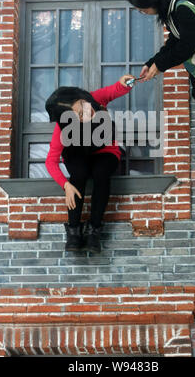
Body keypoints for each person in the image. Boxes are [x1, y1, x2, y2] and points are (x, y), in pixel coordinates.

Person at [45, 75, 134, 254]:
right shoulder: (63, 129)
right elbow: (51, 161)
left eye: (82, 106)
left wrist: (124, 84)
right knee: (78, 175)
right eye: (78, 115)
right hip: (78, 153)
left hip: (104, 152)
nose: (86, 111)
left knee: (101, 173)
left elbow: (113, 90)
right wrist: (66, 185)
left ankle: (94, 230)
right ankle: (74, 230)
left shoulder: (92, 100)